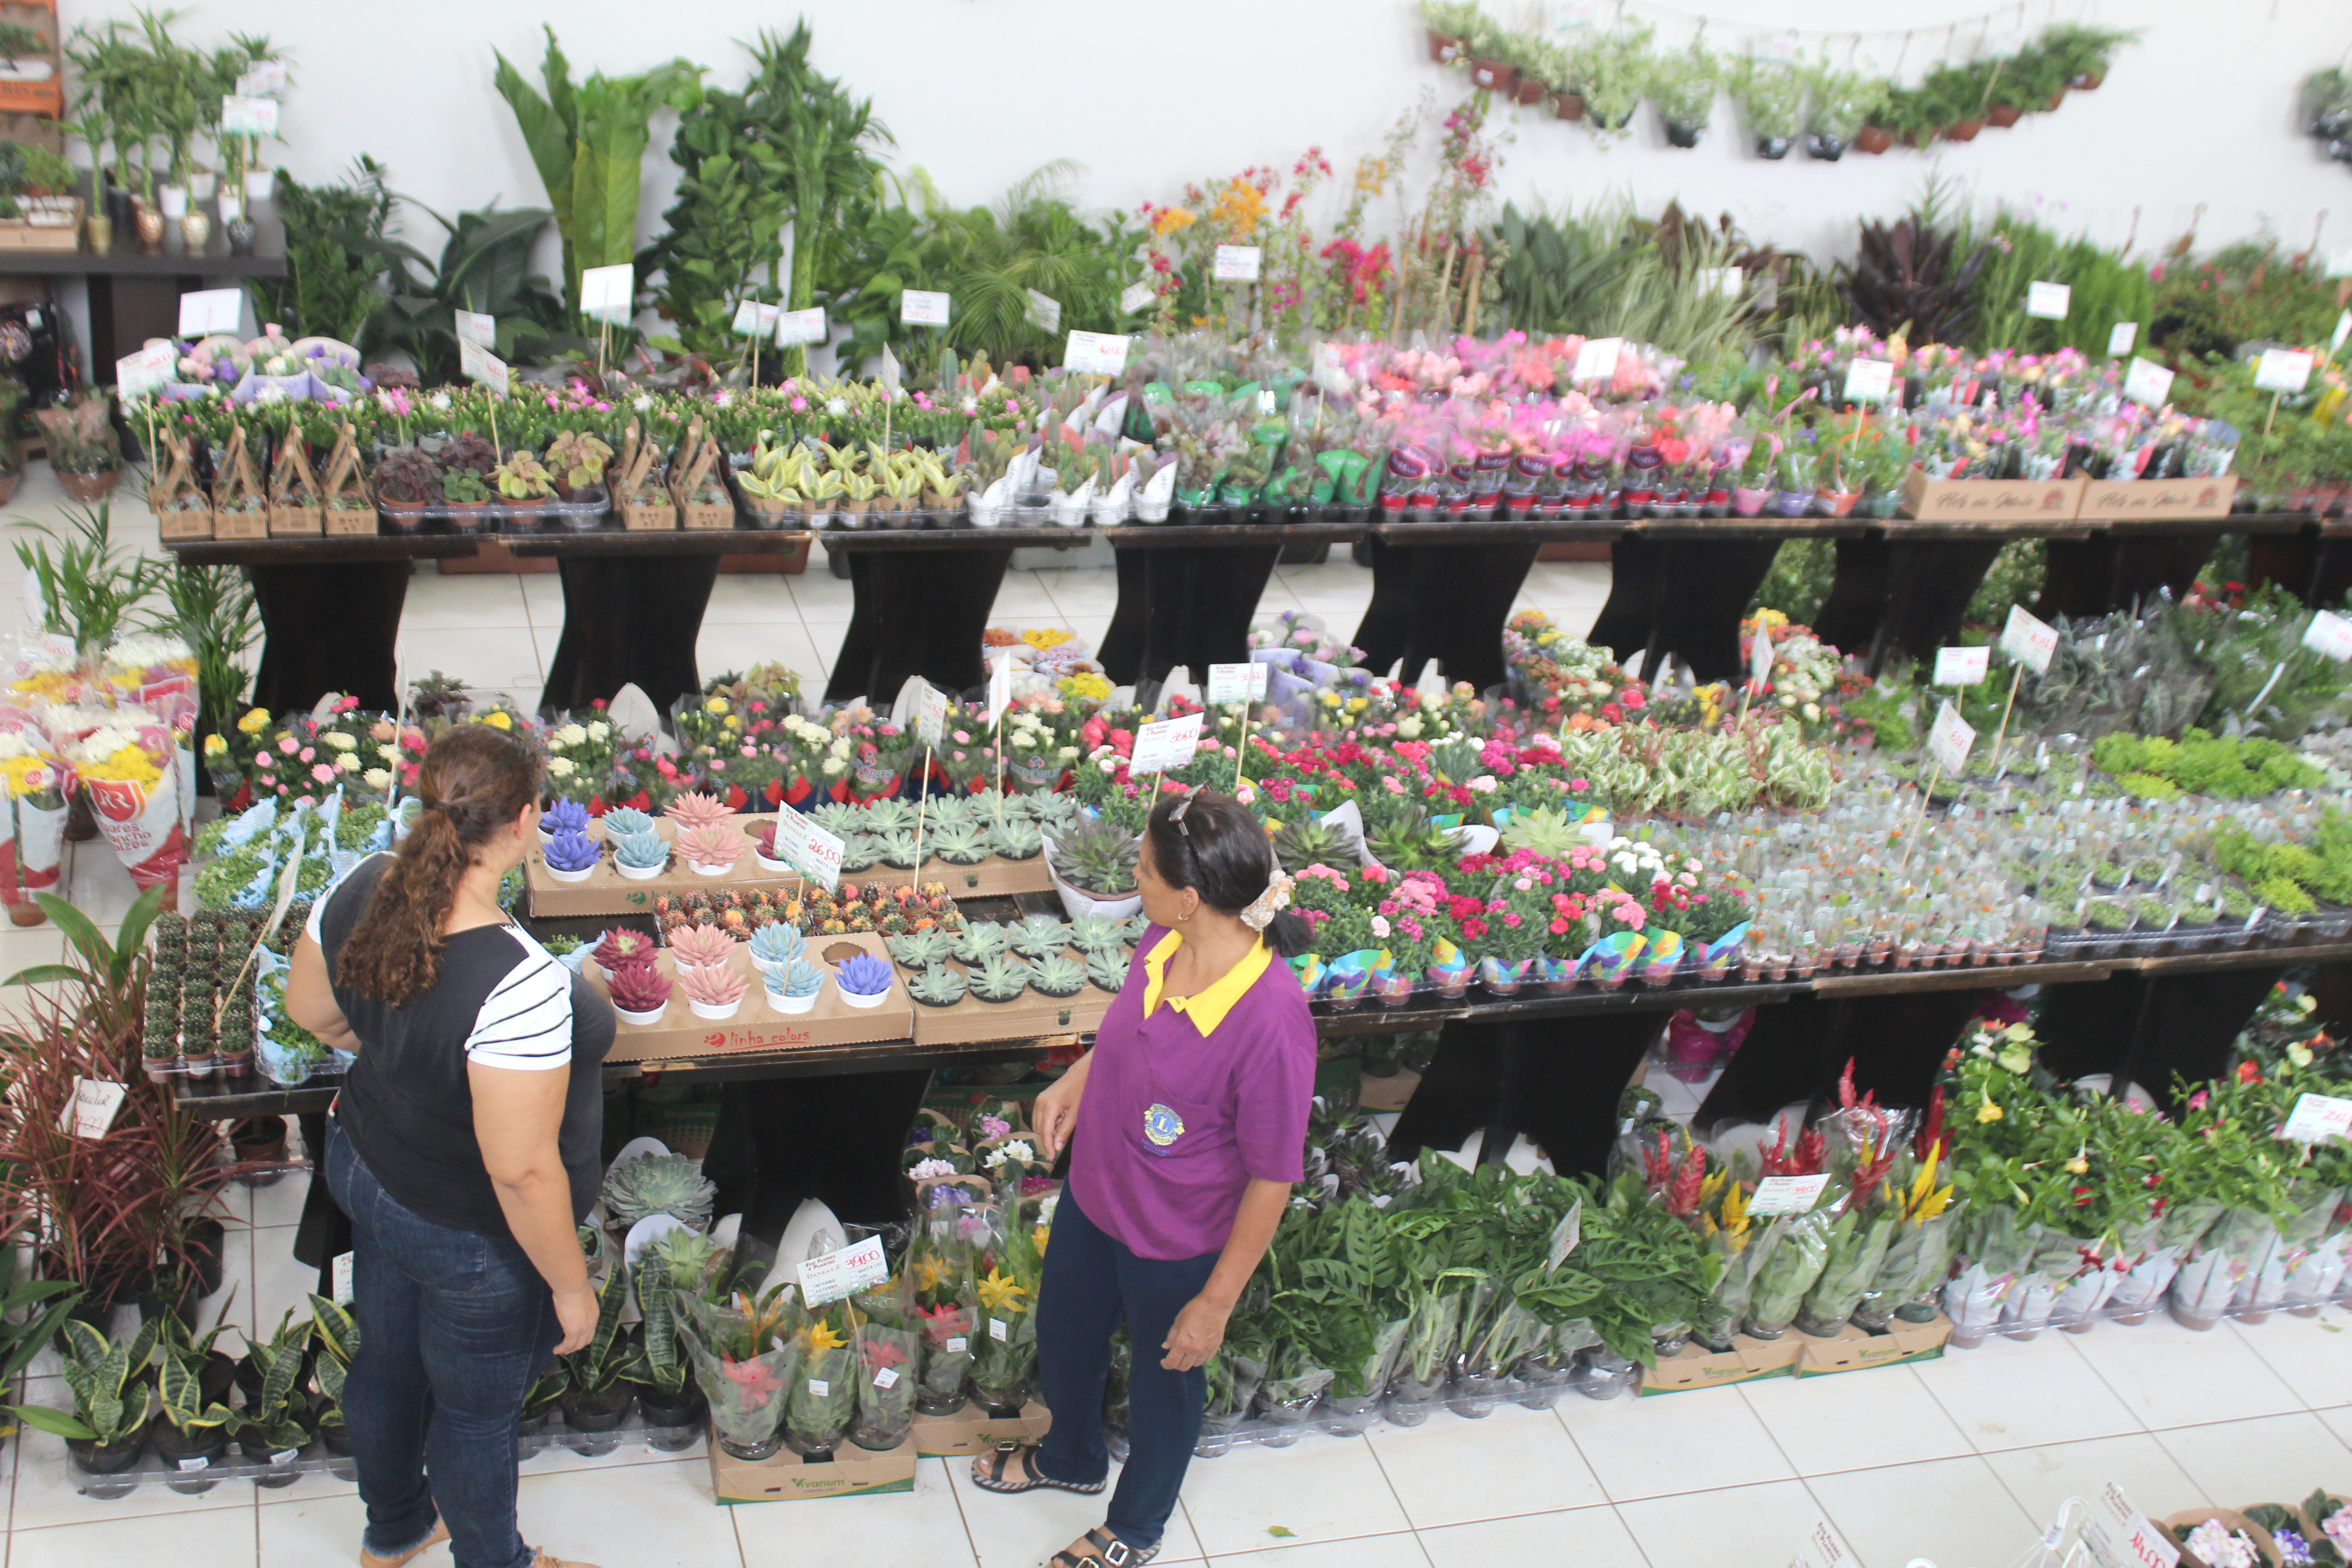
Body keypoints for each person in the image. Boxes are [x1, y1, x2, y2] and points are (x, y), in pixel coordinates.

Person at [285, 725, 613, 1568]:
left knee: (388, 1363)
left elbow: (313, 1016)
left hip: (365, 1165)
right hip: (465, 1231)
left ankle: (394, 1531)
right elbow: (520, 1168)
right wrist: (571, 1289)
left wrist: (407, 1059)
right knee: (474, 1415)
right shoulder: (520, 982)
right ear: (525, 820)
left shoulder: (363, 885)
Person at [970, 789, 1316, 1568]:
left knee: (1167, 1387)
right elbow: (1132, 1031)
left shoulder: (1270, 1020)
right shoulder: (1162, 944)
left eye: (1144, 869)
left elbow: (1271, 1179)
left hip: (1177, 1243)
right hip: (1097, 1197)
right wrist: (1076, 1082)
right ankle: (1071, 1457)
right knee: (1065, 1336)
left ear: (1190, 897)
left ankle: (1135, 1528)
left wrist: (1214, 1304)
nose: (1134, 876)